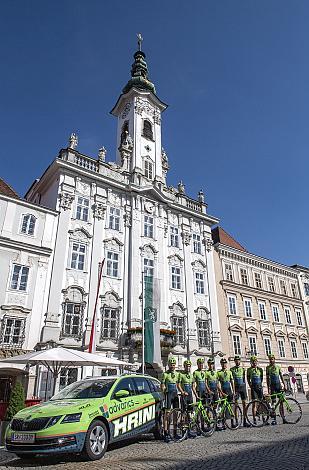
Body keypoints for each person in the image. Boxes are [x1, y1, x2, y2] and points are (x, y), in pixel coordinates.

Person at [161, 357, 180, 442]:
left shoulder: (177, 374)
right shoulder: (165, 374)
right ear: (168, 365)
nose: (172, 366)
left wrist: (182, 392)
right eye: (171, 364)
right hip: (168, 395)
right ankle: (166, 432)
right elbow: (162, 385)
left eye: (173, 364)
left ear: (175, 365)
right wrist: (163, 389)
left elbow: (178, 385)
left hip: (175, 395)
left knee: (176, 413)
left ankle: (175, 432)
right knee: (167, 414)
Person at [230, 355, 250, 427]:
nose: (237, 361)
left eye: (238, 360)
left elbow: (244, 379)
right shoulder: (231, 370)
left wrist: (245, 387)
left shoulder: (243, 369)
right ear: (234, 361)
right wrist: (233, 390)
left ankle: (245, 420)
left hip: (243, 388)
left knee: (244, 404)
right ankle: (236, 421)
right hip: (236, 388)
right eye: (236, 360)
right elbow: (231, 380)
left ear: (240, 361)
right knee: (236, 405)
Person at [266, 354, 285, 425]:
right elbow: (267, 378)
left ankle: (283, 418)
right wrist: (268, 388)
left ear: (274, 360)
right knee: (273, 403)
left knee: (281, 403)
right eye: (270, 359)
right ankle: (274, 419)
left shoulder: (278, 367)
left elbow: (281, 376)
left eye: (272, 359)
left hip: (278, 386)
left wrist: (284, 384)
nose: (271, 360)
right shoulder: (268, 368)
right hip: (272, 386)